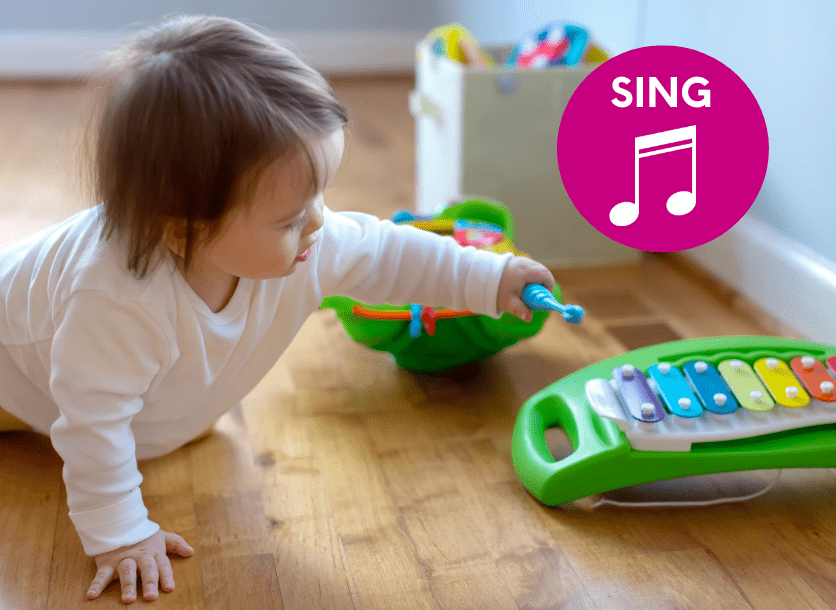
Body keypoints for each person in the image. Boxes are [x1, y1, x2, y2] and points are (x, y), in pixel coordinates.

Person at [0, 14, 555, 604]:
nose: (319, 220)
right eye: (290, 217)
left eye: (320, 194)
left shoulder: (306, 242)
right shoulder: (115, 300)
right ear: (181, 231)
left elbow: (390, 254)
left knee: (144, 396)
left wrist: (490, 279)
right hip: (11, 369)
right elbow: (92, 425)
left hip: (116, 381)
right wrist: (120, 535)